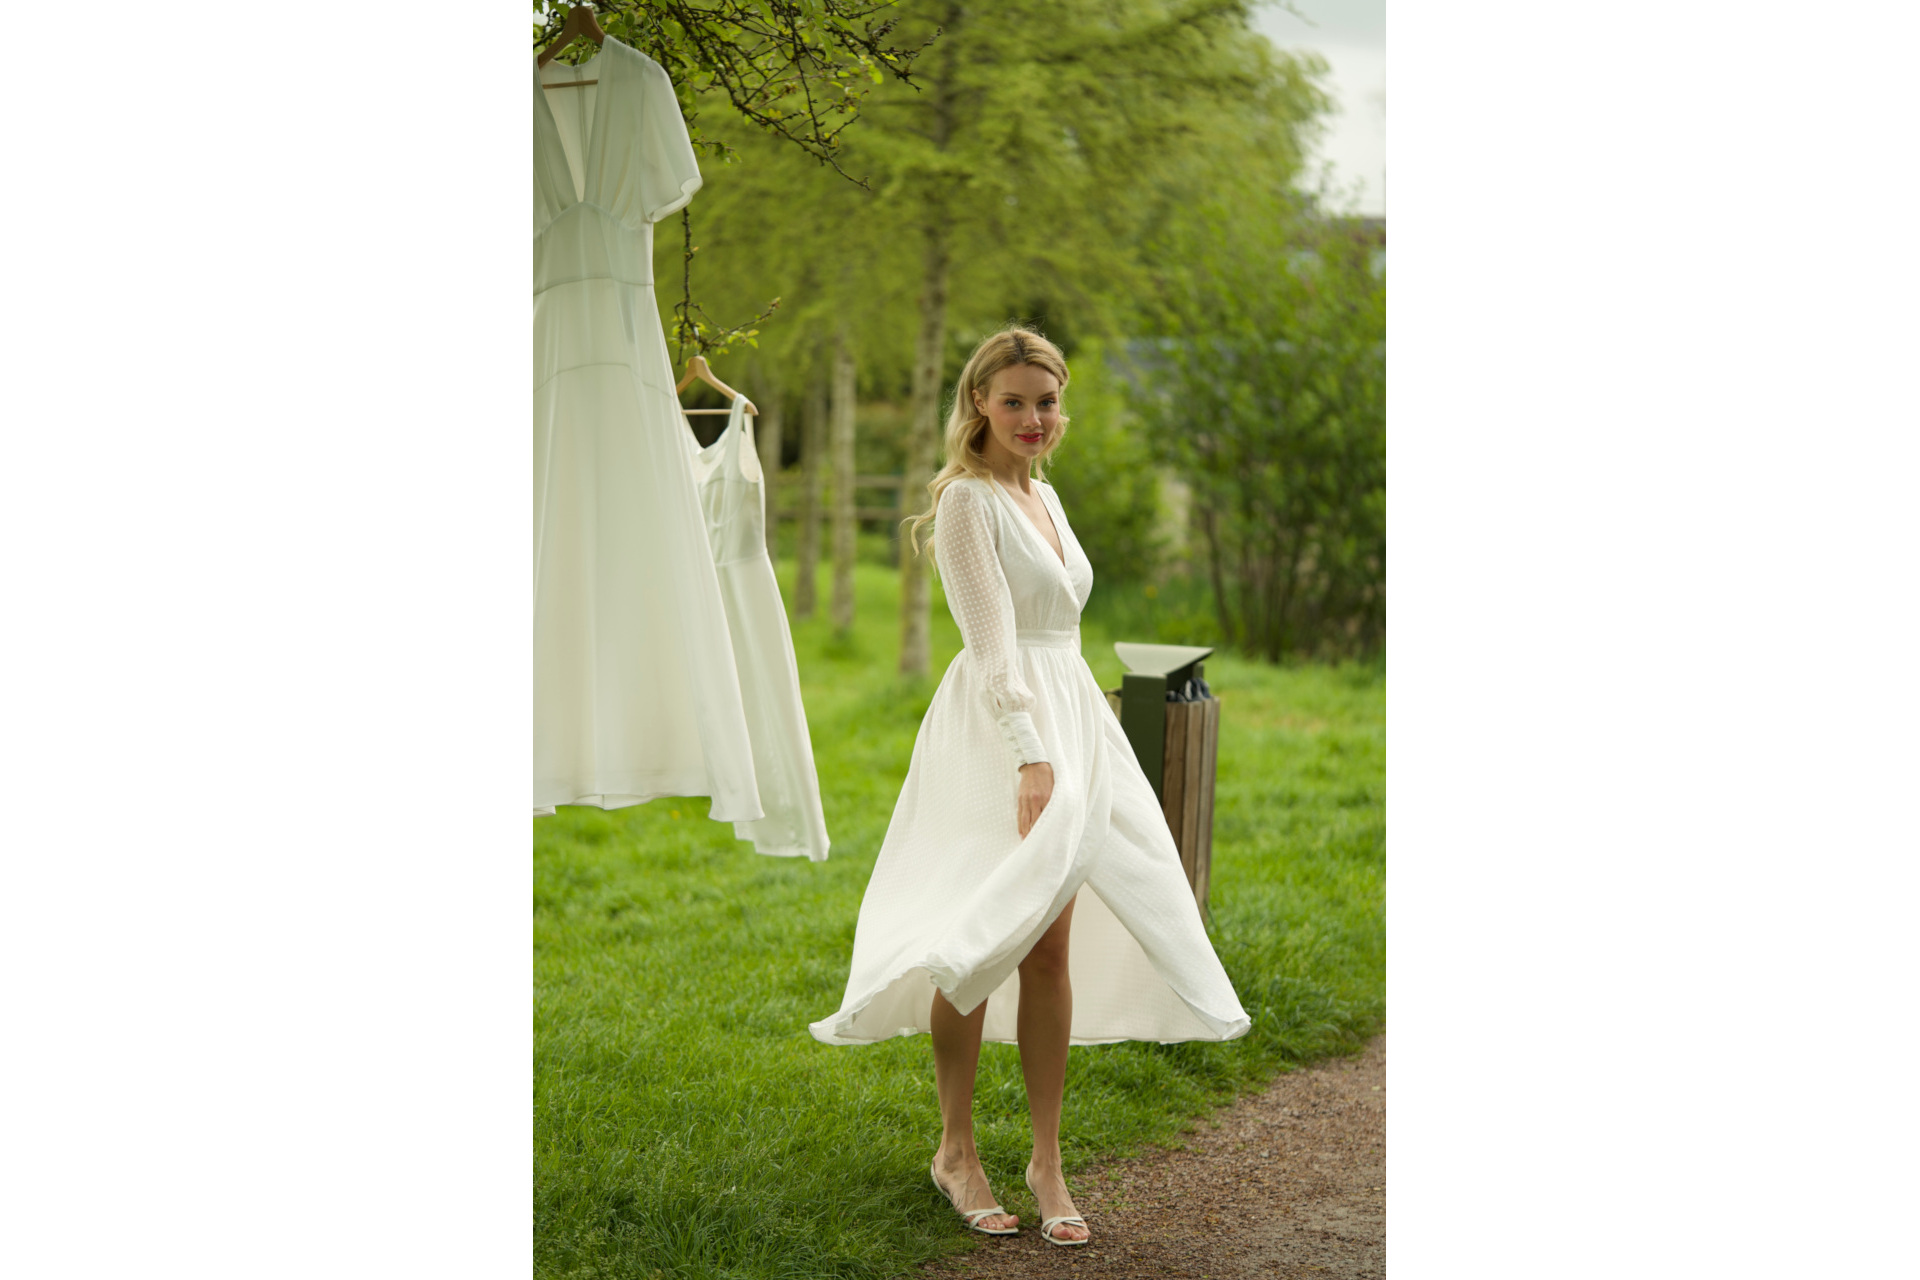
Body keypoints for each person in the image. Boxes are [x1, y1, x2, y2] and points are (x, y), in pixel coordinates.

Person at [808, 327, 1249, 1248]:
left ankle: (1047, 1160)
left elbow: (1057, 626)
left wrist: (1069, 736)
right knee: (981, 931)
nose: (1032, 418)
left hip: (1071, 711)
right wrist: (1027, 752)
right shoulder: (969, 503)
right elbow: (990, 640)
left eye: (1045, 402)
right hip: (1002, 728)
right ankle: (955, 1149)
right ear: (978, 405)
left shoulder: (1043, 493)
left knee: (1050, 943)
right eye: (1013, 402)